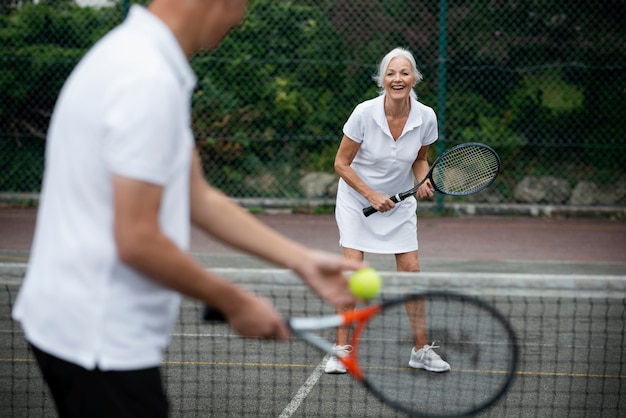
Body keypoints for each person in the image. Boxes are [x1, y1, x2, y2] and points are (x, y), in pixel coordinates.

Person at [11, 0, 364, 416]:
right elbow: (137, 239)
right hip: (99, 336)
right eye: (240, 4)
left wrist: (301, 260)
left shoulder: (133, 55)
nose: (241, 17)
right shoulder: (147, 79)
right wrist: (234, 301)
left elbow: (196, 195)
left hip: (76, 324)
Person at [326, 47, 451, 374]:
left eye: (404, 73)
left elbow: (419, 157)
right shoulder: (363, 113)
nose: (398, 79)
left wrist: (422, 179)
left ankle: (420, 350)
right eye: (391, 73)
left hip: (399, 203)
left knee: (411, 273)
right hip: (357, 199)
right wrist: (371, 194)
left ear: (414, 78)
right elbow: (341, 163)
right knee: (353, 271)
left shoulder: (426, 116)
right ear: (382, 79)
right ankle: (340, 349)